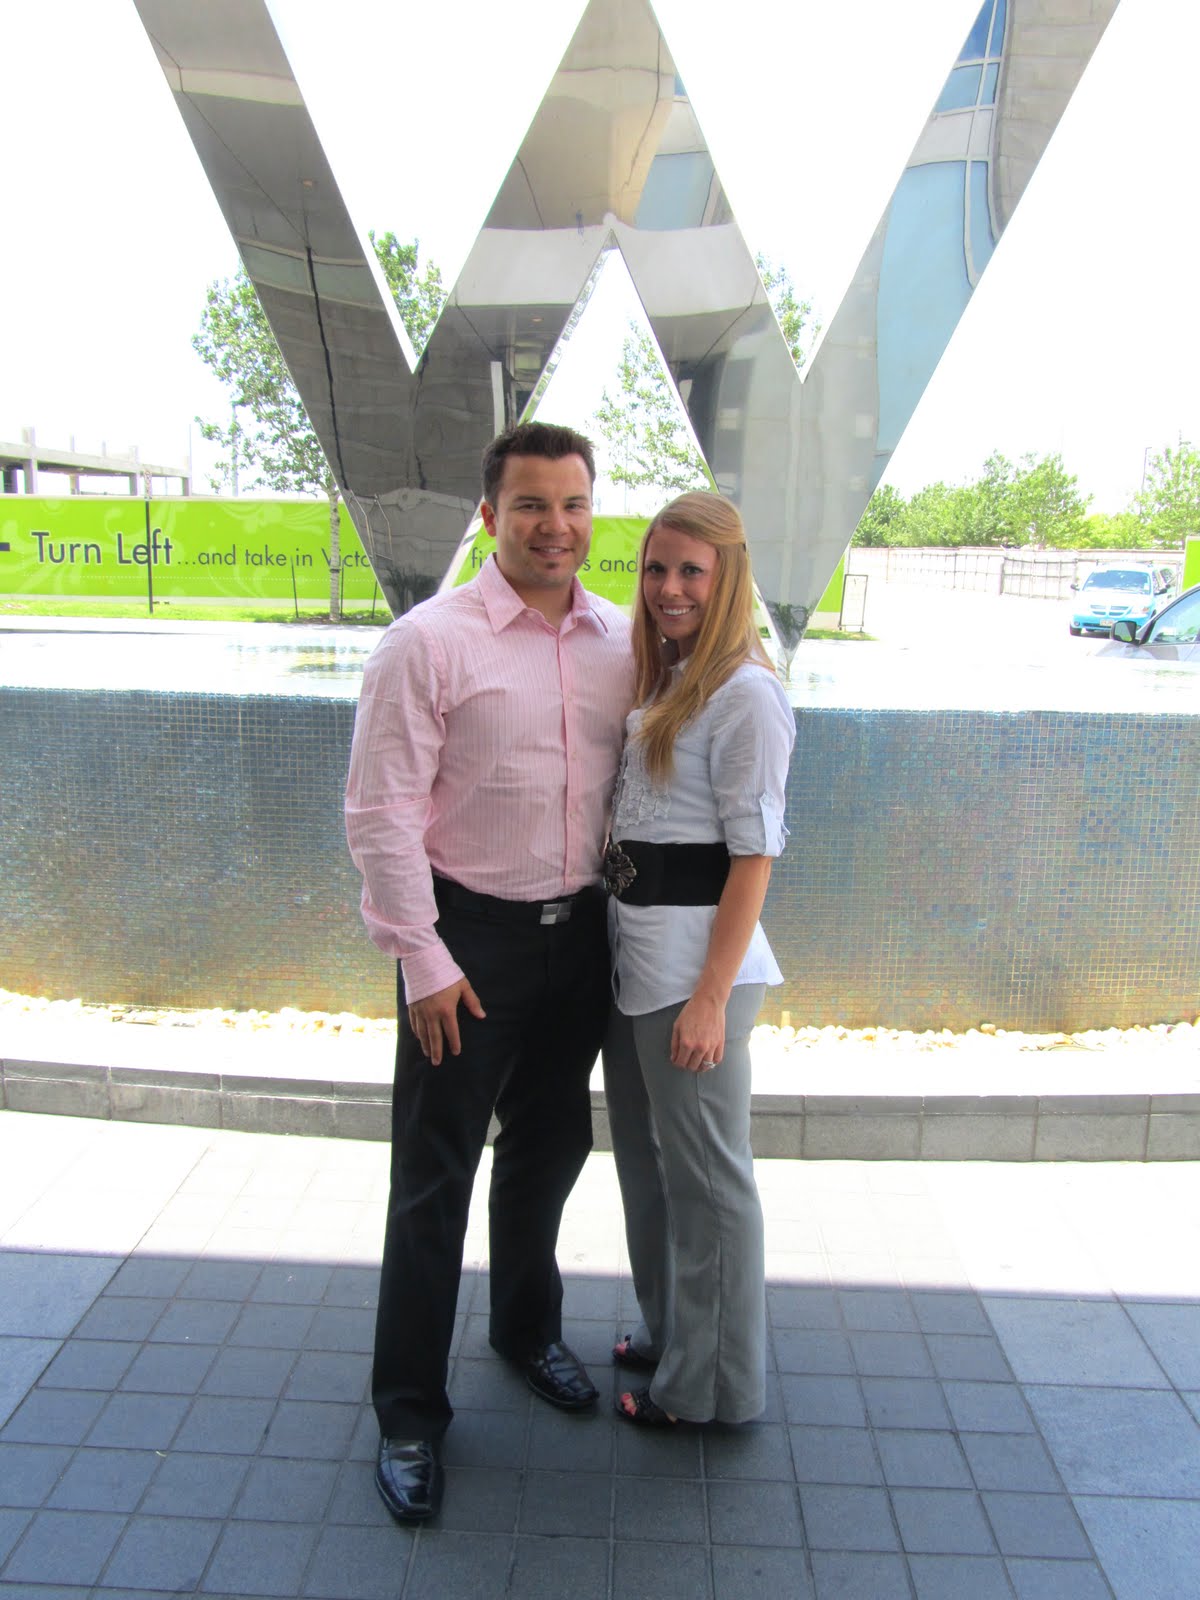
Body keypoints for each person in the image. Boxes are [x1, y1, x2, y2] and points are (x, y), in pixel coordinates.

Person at [345, 422, 633, 1522]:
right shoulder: (426, 643)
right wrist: (420, 958)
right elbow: (380, 812)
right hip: (465, 945)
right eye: (531, 505)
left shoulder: (620, 639)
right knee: (434, 1178)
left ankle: (525, 1330)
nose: (556, 526)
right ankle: (410, 1414)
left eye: (573, 503)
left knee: (551, 1148)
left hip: (582, 937)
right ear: (489, 516)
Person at [601, 490, 795, 1426]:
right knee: (650, 1167)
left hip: (694, 975)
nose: (669, 587)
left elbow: (753, 856)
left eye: (691, 571)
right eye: (656, 567)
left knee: (711, 1183)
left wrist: (712, 997)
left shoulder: (747, 693)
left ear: (728, 581)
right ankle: (674, 1331)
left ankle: (710, 1390)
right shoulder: (672, 676)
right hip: (639, 961)